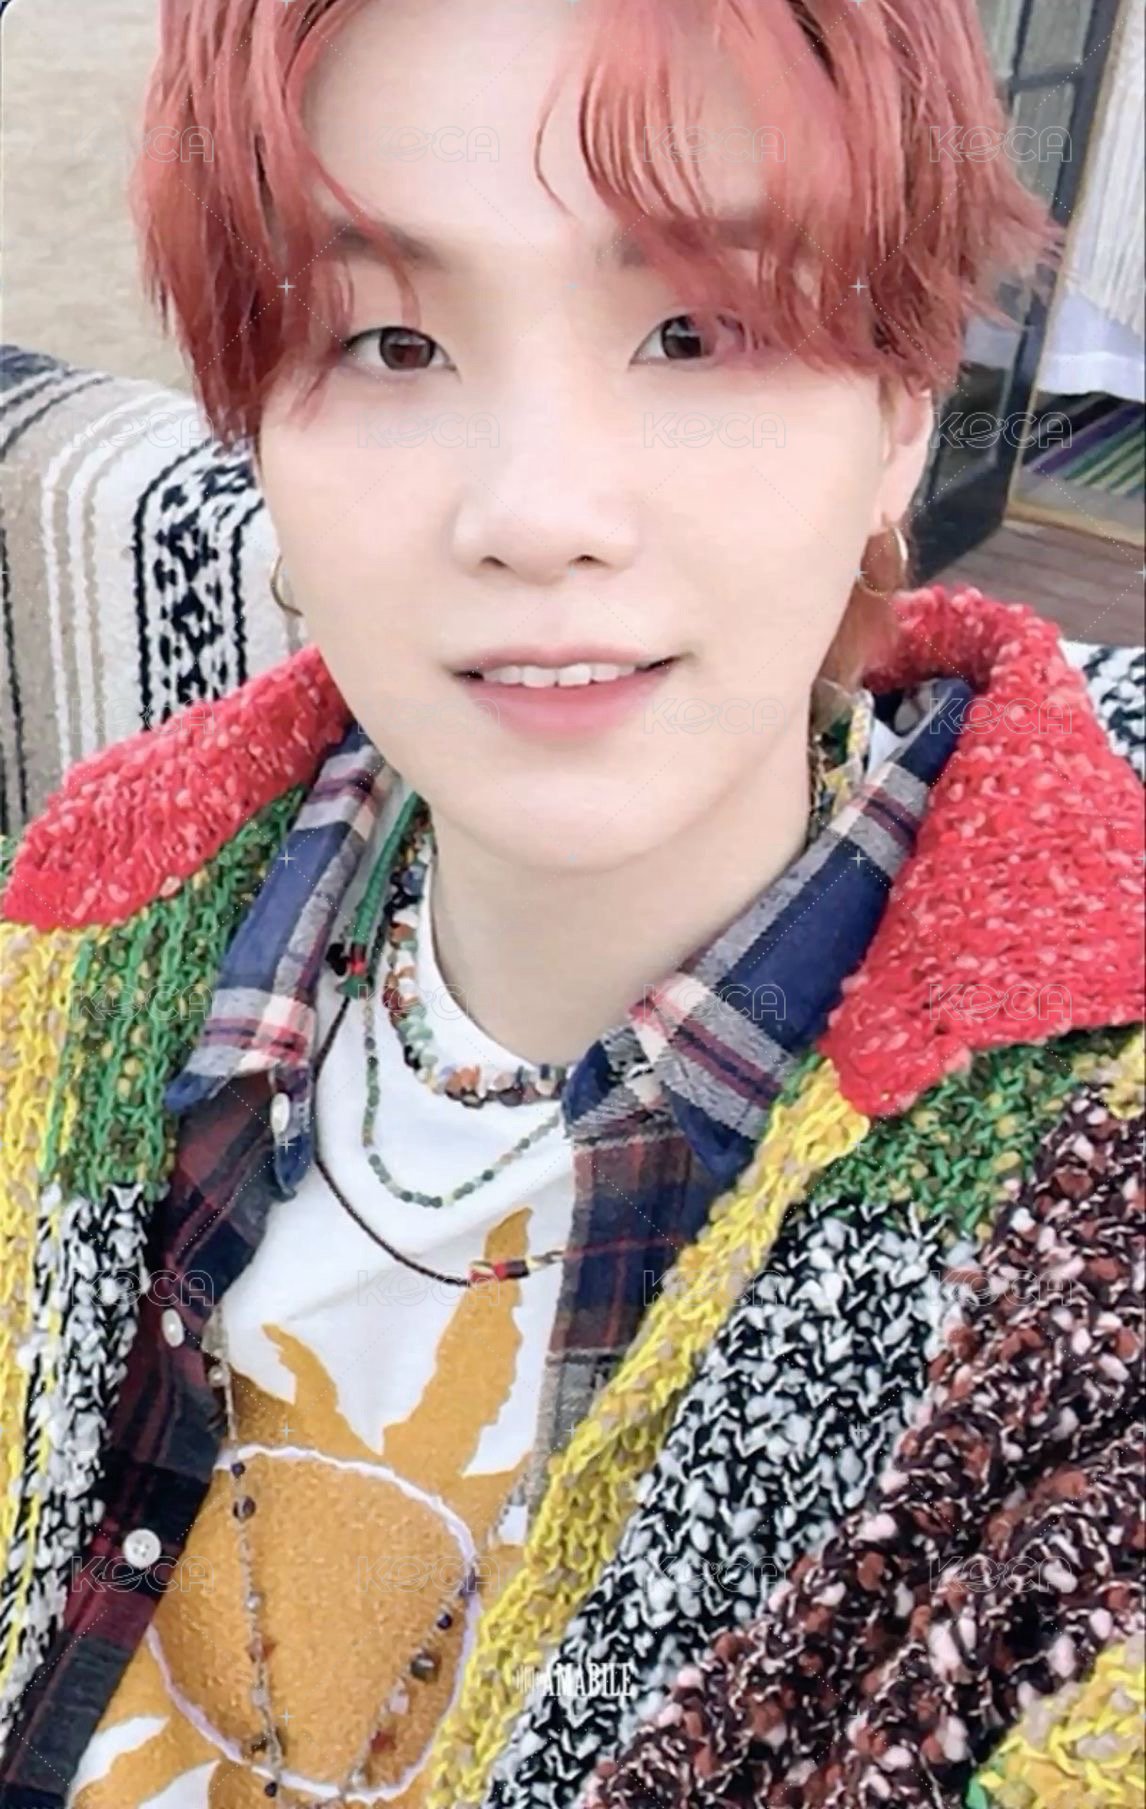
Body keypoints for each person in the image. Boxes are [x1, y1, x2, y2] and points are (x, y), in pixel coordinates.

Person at [0, 0, 1142, 1805]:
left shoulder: (1084, 1246)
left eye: (698, 328)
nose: (536, 514)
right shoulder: (92, 925)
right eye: (388, 341)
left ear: (900, 411)